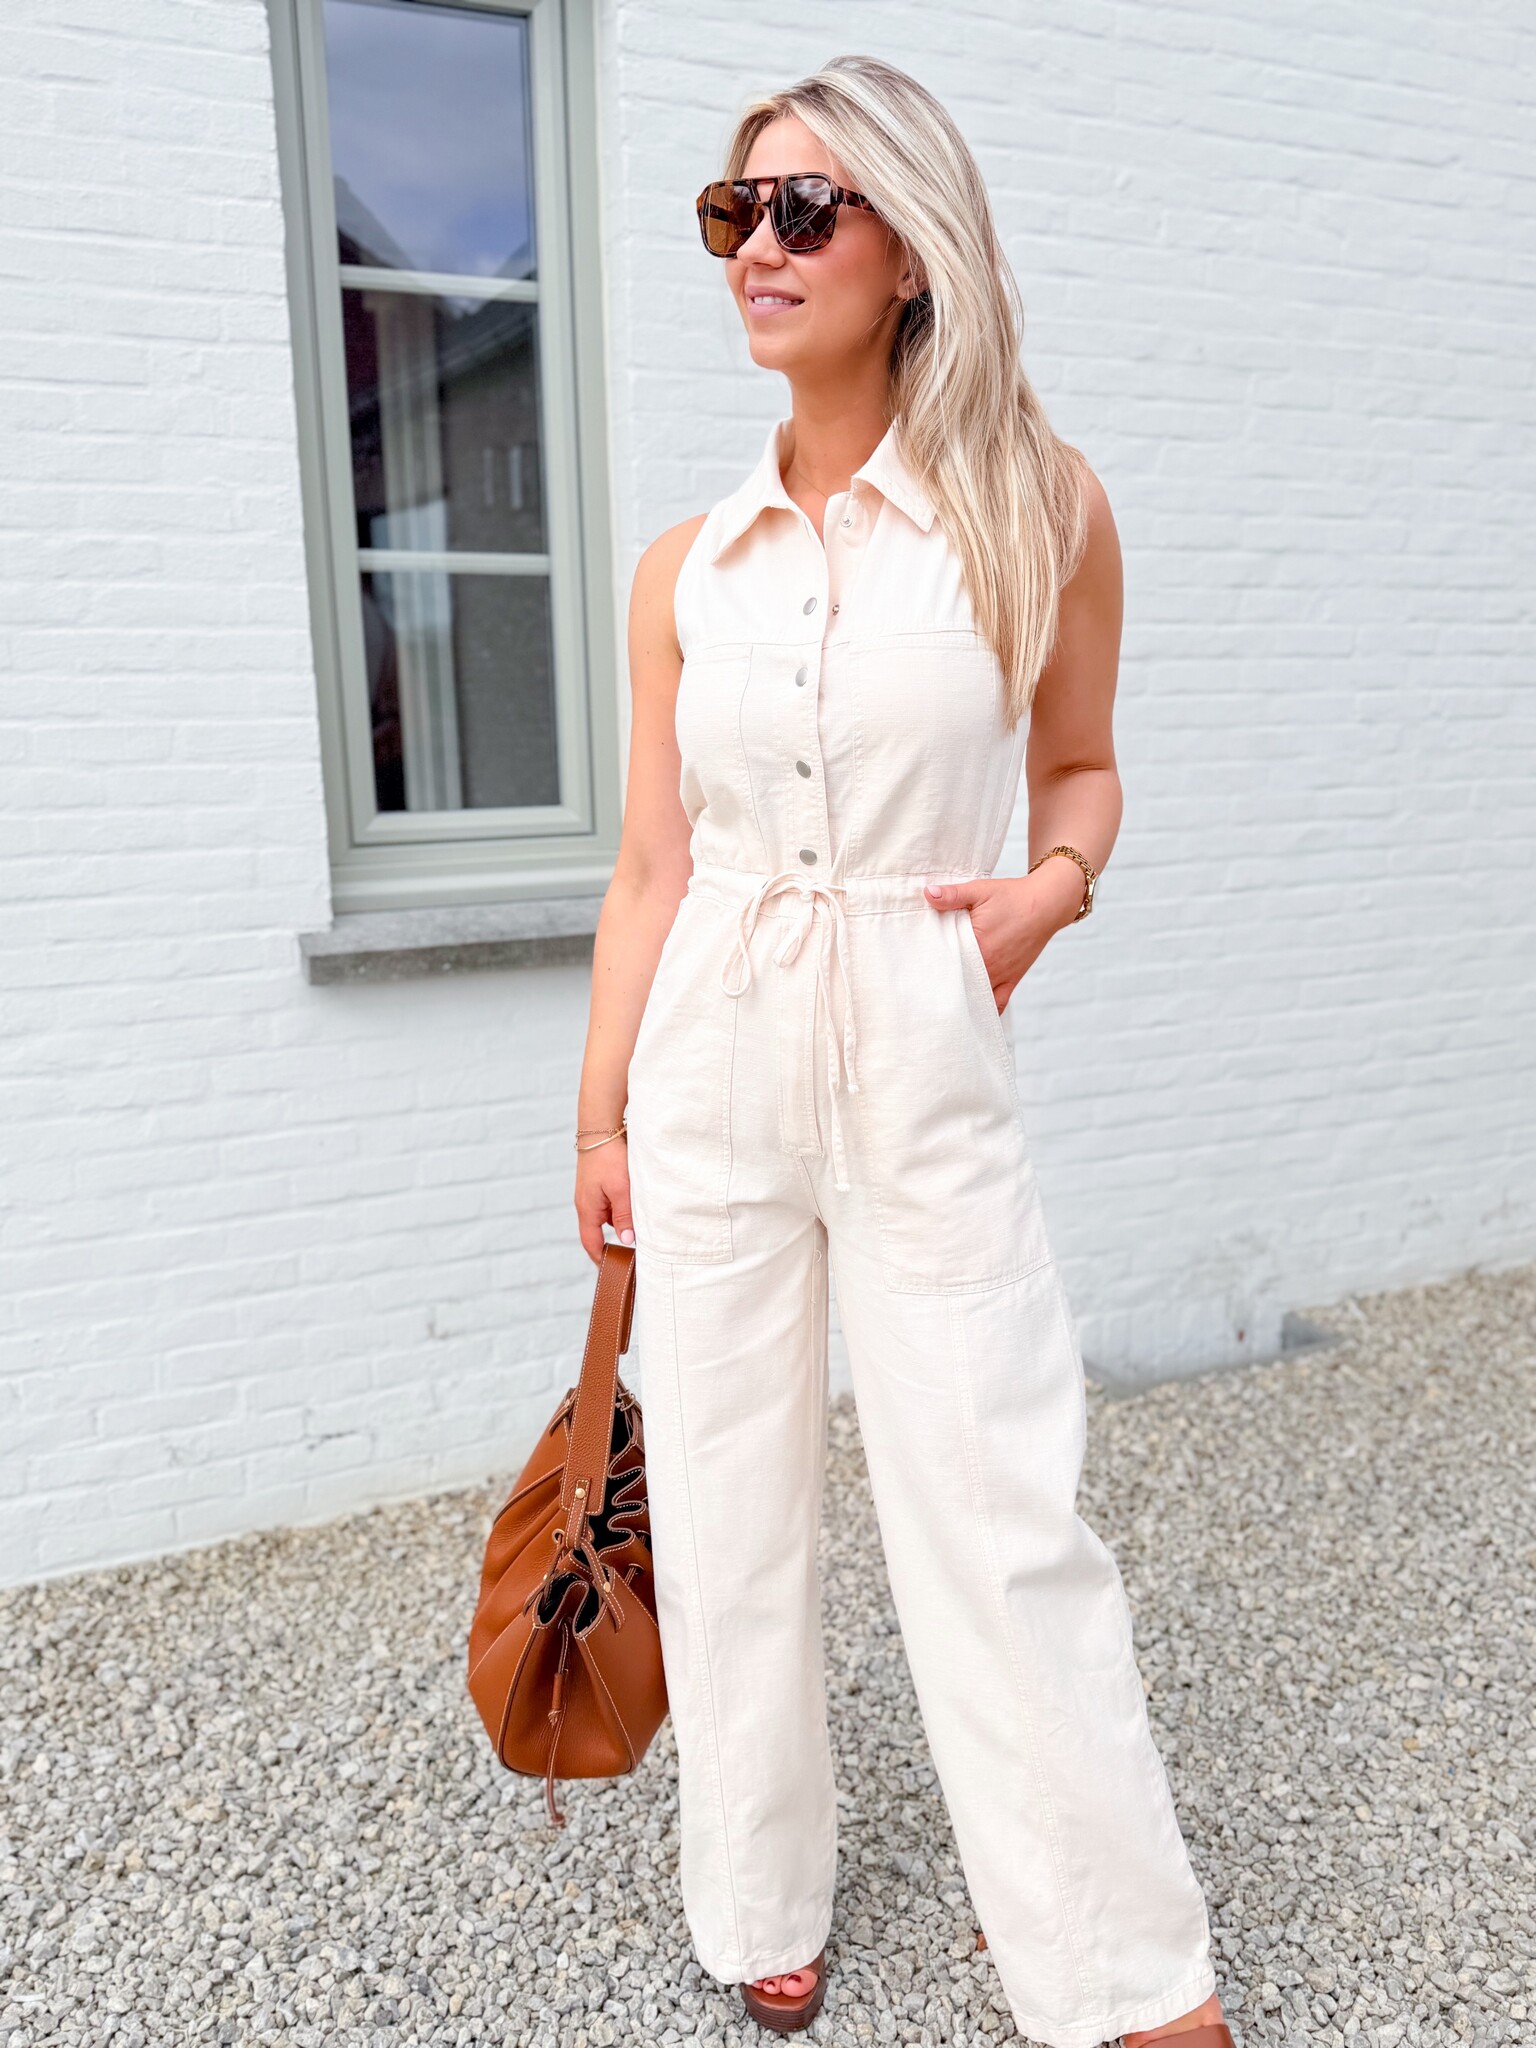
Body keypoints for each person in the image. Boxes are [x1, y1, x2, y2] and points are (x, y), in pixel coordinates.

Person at [574, 52, 1234, 2048]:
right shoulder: (685, 568)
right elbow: (648, 865)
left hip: (921, 1037)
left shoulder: (1038, 508)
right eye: (733, 210)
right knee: (723, 1495)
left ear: (913, 248)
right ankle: (756, 1890)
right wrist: (599, 1112)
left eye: (805, 207)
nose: (756, 247)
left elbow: (1085, 766)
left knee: (1000, 1498)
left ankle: (1120, 1968)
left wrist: (1049, 892)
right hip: (711, 1048)